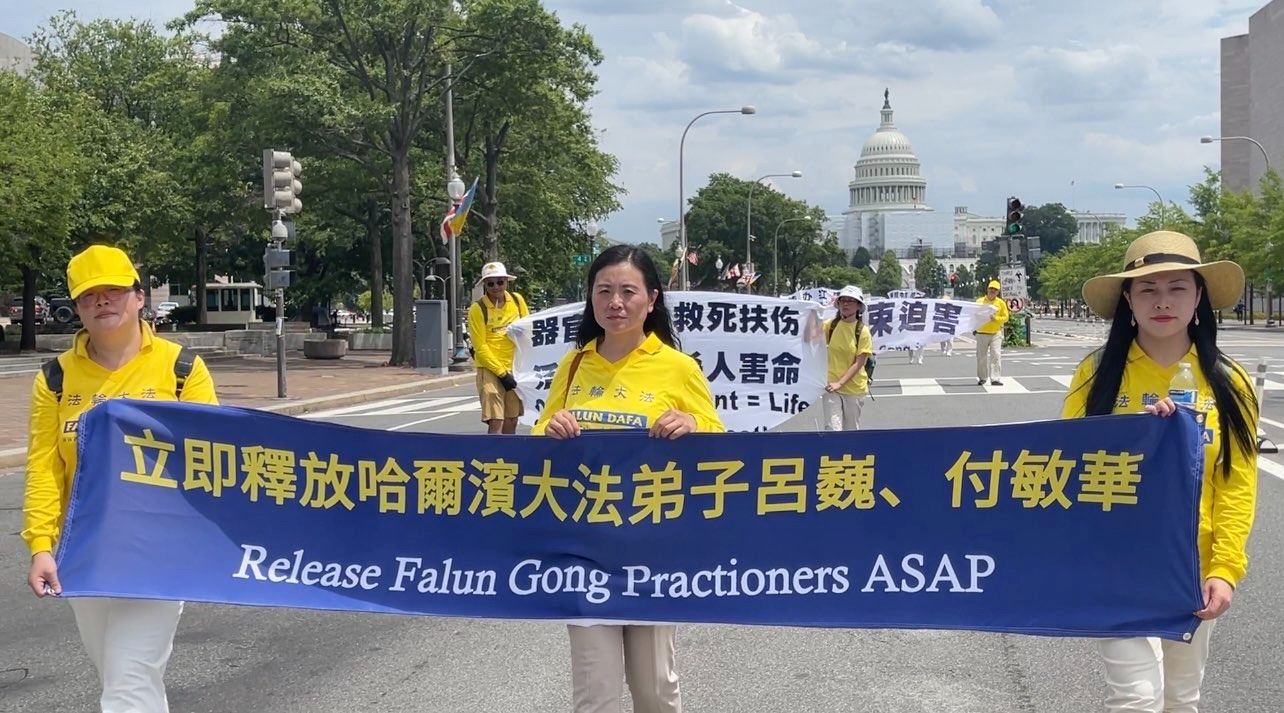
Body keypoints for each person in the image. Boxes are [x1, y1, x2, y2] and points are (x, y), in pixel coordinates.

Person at [1061, 231, 1258, 712]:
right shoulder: (1096, 374)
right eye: (1147, 289)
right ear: (1128, 300)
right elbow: (1065, 466)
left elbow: (1236, 484)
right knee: (1135, 698)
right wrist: (1138, 439)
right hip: (1115, 564)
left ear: (1199, 297)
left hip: (1191, 568)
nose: (1163, 301)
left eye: (1177, 287)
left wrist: (1225, 570)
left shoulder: (1228, 381)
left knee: (1180, 698)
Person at [24, 244, 219, 713]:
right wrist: (41, 546)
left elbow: (214, 458)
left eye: (113, 290)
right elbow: (45, 467)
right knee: (122, 675)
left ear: (138, 297)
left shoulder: (181, 369)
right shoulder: (54, 379)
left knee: (129, 677)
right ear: (77, 308)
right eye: (89, 295)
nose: (102, 301)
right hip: (84, 553)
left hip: (159, 552)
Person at [533, 244, 723, 713]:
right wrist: (551, 428)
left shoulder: (679, 367)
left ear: (652, 299)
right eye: (604, 291)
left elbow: (718, 442)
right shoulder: (573, 366)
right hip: (585, 552)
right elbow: (539, 438)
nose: (615, 303)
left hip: (653, 552)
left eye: (627, 291)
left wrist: (692, 424)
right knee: (595, 693)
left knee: (655, 688)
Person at [466, 261, 529, 434]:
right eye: (490, 283)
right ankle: (493, 451)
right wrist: (501, 373)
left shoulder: (517, 301)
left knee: (512, 419)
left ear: (507, 282)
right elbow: (480, 347)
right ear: (485, 285)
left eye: (500, 282)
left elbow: (528, 328)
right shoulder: (478, 309)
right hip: (490, 369)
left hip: (514, 367)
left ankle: (509, 452)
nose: (496, 287)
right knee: (496, 420)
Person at [823, 285, 874, 430]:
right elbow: (809, 338)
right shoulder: (831, 325)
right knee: (832, 429)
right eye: (842, 300)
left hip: (854, 389)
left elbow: (859, 363)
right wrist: (811, 313)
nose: (845, 304)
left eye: (850, 301)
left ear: (858, 306)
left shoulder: (862, 331)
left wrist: (840, 383)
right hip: (831, 386)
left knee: (850, 431)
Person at [974, 279, 1009, 385]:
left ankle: (995, 378)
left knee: (996, 355)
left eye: (995, 290)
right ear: (987, 289)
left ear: (998, 292)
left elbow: (1006, 317)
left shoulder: (1001, 303)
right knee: (981, 357)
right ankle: (982, 378)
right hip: (981, 332)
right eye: (991, 289)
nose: (992, 291)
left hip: (995, 333)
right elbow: (973, 314)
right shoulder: (979, 302)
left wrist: (996, 319)